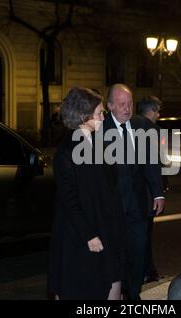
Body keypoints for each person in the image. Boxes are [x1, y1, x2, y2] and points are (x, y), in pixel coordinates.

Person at [47, 87, 125, 300]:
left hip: (105, 228)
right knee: (81, 288)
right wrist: (88, 234)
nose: (103, 117)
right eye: (100, 113)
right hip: (80, 236)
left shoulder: (100, 143)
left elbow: (111, 187)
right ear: (83, 115)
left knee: (113, 281)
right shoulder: (66, 151)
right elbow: (68, 198)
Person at [103, 84, 165, 300]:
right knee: (117, 254)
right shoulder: (100, 129)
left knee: (138, 253)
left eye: (129, 103)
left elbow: (151, 162)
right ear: (110, 106)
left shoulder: (142, 125)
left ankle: (134, 293)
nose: (127, 109)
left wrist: (158, 193)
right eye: (121, 104)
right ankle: (117, 292)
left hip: (138, 205)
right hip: (112, 208)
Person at [137, 95, 165, 283]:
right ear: (151, 111)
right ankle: (147, 270)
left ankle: (146, 269)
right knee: (145, 235)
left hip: (135, 191)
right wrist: (159, 191)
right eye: (157, 111)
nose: (159, 114)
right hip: (147, 193)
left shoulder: (130, 127)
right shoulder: (152, 130)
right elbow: (153, 163)